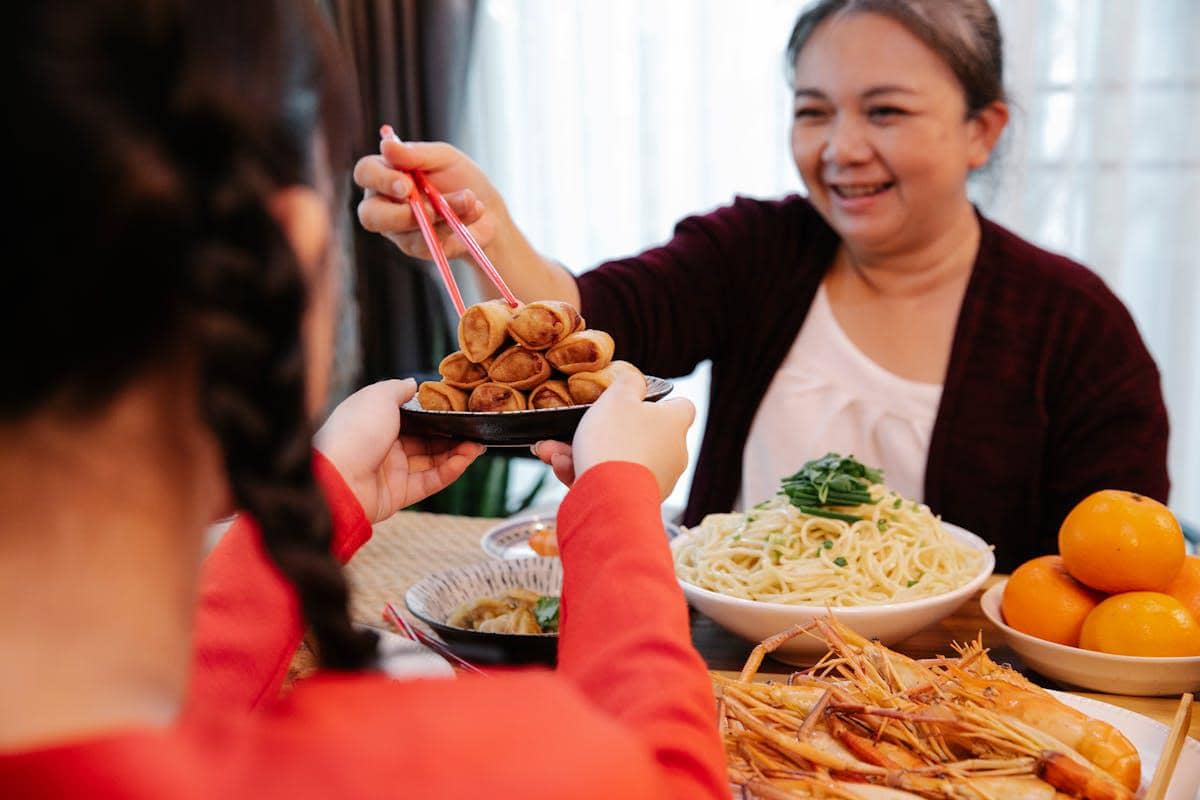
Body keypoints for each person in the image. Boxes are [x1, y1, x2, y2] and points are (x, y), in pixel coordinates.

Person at [0, 2, 726, 798]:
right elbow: (665, 778)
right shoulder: (449, 769)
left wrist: (320, 498)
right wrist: (617, 502)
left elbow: (170, 712)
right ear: (287, 255)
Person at [354, 0, 1170, 571]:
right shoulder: (759, 249)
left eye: (884, 112)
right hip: (721, 662)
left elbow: (1112, 572)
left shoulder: (1077, 327)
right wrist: (484, 231)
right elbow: (592, 323)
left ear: (981, 130)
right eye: (814, 111)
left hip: (953, 693)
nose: (840, 148)